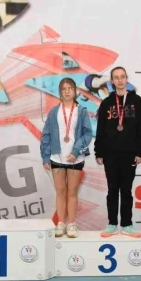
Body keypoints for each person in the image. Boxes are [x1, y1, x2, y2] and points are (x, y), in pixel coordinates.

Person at [94, 66, 141, 238]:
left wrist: (140, 152)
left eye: (122, 77)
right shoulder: (106, 103)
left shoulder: (137, 101)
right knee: (112, 190)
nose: (120, 80)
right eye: (116, 77)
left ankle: (127, 224)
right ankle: (111, 224)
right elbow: (100, 129)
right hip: (110, 153)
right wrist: (98, 152)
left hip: (130, 153)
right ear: (112, 81)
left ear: (126, 79)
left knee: (126, 190)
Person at [40, 78, 93, 238]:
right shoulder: (54, 112)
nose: (67, 91)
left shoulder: (81, 111)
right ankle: (61, 223)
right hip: (57, 157)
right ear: (60, 92)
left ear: (75, 91)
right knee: (60, 191)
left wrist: (76, 152)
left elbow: (87, 134)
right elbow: (46, 134)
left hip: (75, 158)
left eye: (70, 88)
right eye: (64, 89)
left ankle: (71, 224)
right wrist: (46, 156)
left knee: (72, 192)